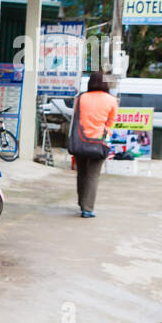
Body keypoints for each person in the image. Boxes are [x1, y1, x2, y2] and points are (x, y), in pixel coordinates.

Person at [71, 72, 118, 217]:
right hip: (99, 143)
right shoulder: (111, 100)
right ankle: (87, 208)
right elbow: (111, 122)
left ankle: (81, 202)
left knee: (82, 173)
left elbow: (75, 118)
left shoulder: (81, 98)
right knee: (93, 175)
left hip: (80, 140)